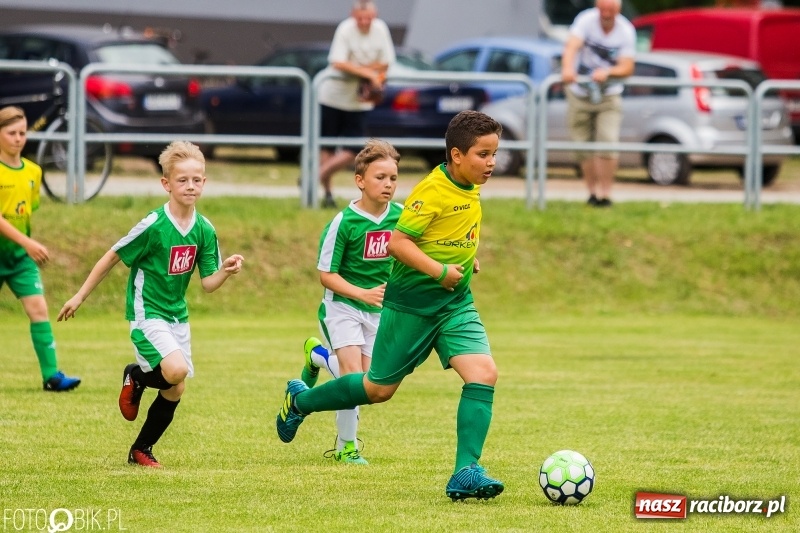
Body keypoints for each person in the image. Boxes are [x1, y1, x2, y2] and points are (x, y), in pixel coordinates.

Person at [278, 110, 505, 501]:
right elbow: (399, 244)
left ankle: (465, 471)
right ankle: (301, 400)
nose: (492, 163)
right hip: (411, 307)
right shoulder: (432, 191)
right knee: (377, 389)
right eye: (483, 154)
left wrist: (468, 258)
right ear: (456, 155)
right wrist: (438, 270)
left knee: (483, 374)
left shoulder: (468, 185)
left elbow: (449, 233)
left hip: (454, 304)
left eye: (494, 154)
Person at [57, 141, 244, 468]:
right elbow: (113, 255)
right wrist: (80, 295)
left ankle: (141, 450)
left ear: (204, 182)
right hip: (147, 313)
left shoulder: (204, 229)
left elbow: (208, 284)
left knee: (176, 387)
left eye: (196, 180)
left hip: (177, 317)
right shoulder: (154, 225)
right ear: (166, 184)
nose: (190, 186)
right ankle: (137, 377)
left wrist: (226, 272)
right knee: (176, 371)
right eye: (182, 180)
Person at [300, 139, 402, 465]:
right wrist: (360, 293)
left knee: (369, 383)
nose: (387, 184)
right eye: (380, 177)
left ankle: (317, 356)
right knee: (352, 377)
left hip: (378, 312)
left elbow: (425, 248)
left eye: (393, 178)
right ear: (360, 180)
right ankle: (347, 447)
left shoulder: (401, 218)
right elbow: (326, 275)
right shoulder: (343, 222)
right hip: (341, 307)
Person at [0, 106, 81, 392]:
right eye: (11, 133)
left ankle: (52, 376)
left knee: (38, 308)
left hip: (19, 259)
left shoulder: (33, 171)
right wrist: (27, 242)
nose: (18, 138)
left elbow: (25, 212)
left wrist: (23, 244)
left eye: (22, 133)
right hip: (17, 249)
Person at [317, 0, 396, 208]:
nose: (364, 22)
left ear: (375, 15)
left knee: (353, 149)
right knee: (326, 146)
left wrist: (357, 68)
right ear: (353, 15)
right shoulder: (345, 29)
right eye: (360, 18)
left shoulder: (381, 29)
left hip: (359, 102)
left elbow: (387, 62)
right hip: (332, 97)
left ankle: (316, 176)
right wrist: (369, 72)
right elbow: (338, 62)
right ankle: (327, 193)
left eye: (368, 18)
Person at [561, 0, 636, 207]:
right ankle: (592, 194)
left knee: (607, 142)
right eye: (602, 9)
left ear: (618, 10)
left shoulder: (626, 30)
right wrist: (567, 69)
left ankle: (606, 195)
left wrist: (608, 73)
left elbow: (628, 67)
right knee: (582, 145)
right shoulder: (585, 20)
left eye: (610, 10)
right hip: (580, 92)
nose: (605, 13)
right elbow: (572, 47)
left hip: (608, 94)